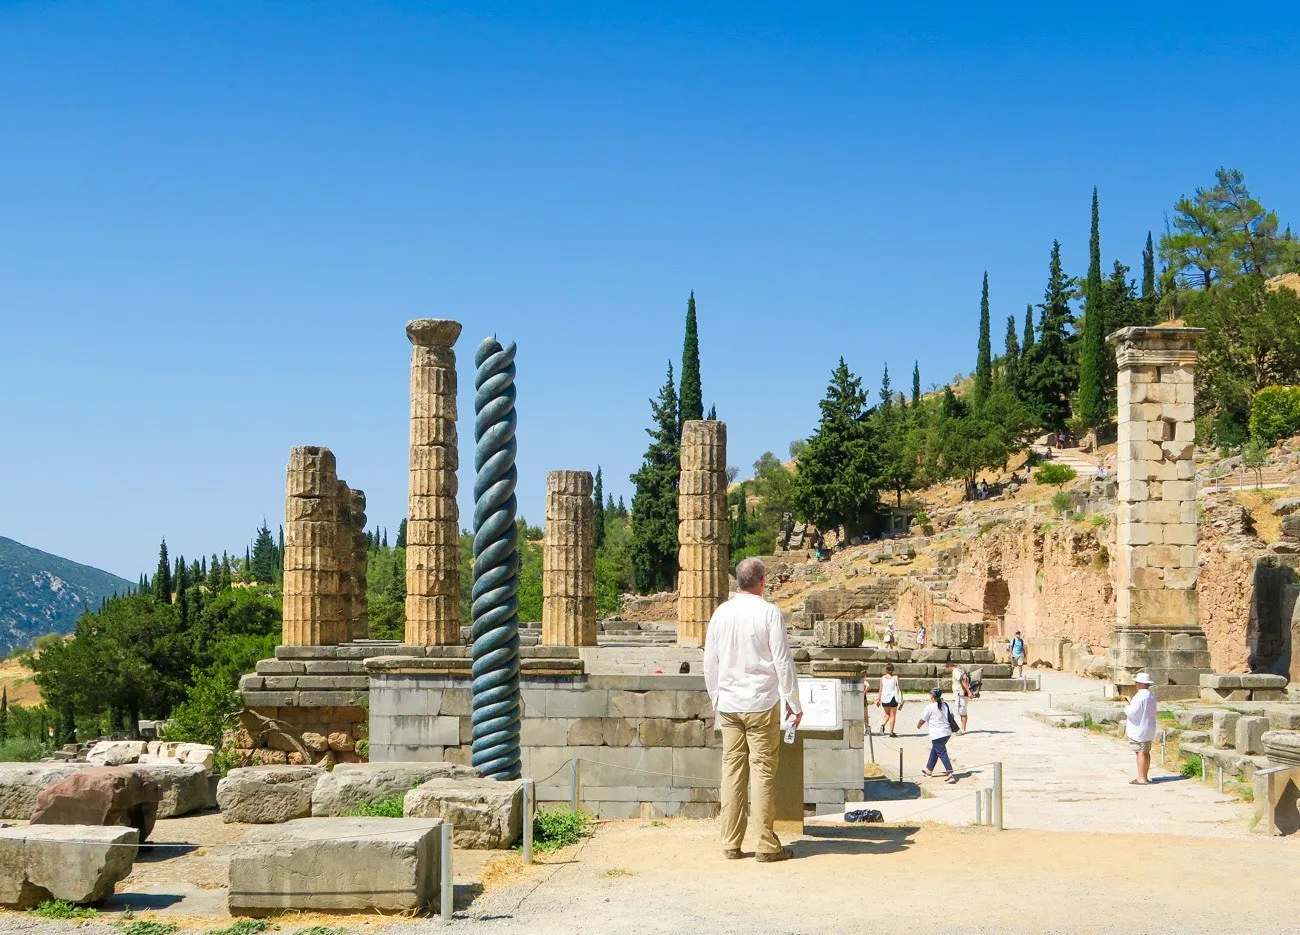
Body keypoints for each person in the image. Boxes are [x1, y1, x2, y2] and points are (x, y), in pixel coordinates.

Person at [703, 557, 802, 862]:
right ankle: (766, 845)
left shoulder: (721, 613)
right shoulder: (769, 613)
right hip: (761, 703)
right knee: (762, 772)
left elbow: (709, 662)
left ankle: (730, 843)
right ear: (762, 582)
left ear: (738, 581)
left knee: (732, 772)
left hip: (729, 704)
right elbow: (782, 661)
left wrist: (716, 698)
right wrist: (794, 702)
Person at [917, 687, 958, 783]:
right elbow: (951, 716)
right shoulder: (945, 705)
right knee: (935, 750)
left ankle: (950, 774)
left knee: (942, 753)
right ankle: (929, 770)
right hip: (947, 732)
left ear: (932, 697)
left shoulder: (930, 707)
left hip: (937, 734)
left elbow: (923, 719)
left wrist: (918, 725)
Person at [1124, 672, 1158, 785]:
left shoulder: (1139, 697)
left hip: (1139, 729)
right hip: (1148, 728)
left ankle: (1141, 778)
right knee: (1146, 752)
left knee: (1140, 752)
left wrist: (1127, 708)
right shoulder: (1151, 695)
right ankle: (1145, 776)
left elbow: (1133, 712)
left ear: (1140, 684)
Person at [947, 660, 972, 733]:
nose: (947, 670)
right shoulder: (958, 671)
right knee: (961, 711)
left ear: (949, 667)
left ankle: (963, 730)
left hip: (961, 694)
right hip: (960, 694)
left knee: (962, 712)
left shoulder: (956, 672)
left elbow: (963, 681)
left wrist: (969, 692)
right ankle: (962, 728)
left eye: (947, 668)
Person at [877, 663, 901, 737]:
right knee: (892, 716)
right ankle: (891, 732)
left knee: (887, 714)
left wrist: (878, 699)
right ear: (893, 670)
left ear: (886, 670)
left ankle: (882, 725)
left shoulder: (882, 678)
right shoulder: (895, 677)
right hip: (893, 698)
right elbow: (898, 688)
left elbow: (880, 689)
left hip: (884, 698)